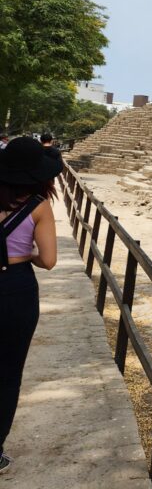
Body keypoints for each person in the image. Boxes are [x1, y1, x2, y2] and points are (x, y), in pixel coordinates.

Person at [0, 137, 61, 475]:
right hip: (15, 287)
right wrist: (27, 255)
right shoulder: (38, 206)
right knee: (7, 373)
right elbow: (49, 261)